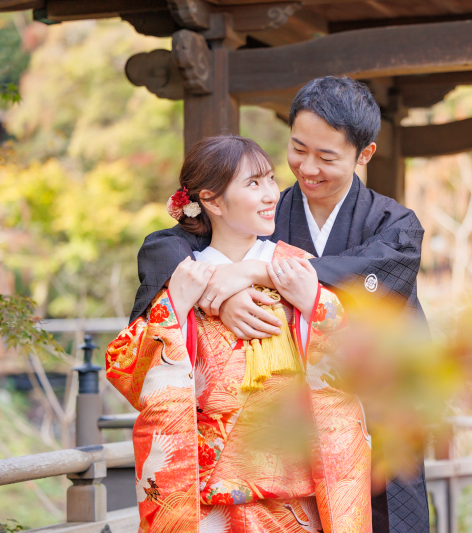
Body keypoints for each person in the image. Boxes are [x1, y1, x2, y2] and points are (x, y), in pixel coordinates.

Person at [129, 76, 430, 532]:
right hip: (278, 441)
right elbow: (169, 245)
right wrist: (218, 295)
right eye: (297, 148)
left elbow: (380, 290)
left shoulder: (394, 225)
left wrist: (256, 272)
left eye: (327, 157)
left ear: (364, 154)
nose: (307, 168)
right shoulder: (264, 212)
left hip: (378, 412)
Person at [106, 135, 371, 532]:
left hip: (298, 493)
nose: (271, 195)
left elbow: (360, 362)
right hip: (210, 494)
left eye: (270, 180)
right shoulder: (186, 276)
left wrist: (315, 303)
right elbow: (130, 371)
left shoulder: (296, 268)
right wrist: (176, 305)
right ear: (212, 201)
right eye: (253, 184)